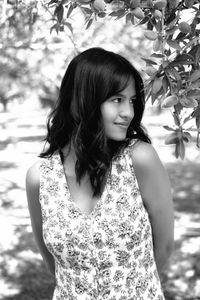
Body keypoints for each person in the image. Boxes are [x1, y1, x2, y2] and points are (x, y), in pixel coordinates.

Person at [26, 47, 174, 299]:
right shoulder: (39, 178)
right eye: (117, 99)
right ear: (82, 100)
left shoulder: (140, 159)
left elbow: (164, 248)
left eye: (131, 100)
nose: (128, 112)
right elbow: (53, 265)